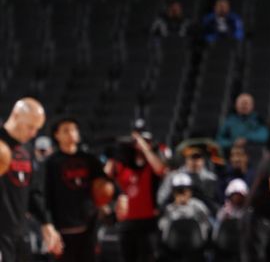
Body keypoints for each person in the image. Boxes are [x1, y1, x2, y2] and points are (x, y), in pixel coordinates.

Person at [0, 98, 63, 261]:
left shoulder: (27, 148)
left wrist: (46, 222)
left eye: (37, 128)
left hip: (20, 233)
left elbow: (33, 190)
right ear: (15, 116)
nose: (33, 133)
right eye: (30, 127)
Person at [43, 116, 113, 262]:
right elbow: (45, 196)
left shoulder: (89, 159)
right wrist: (48, 224)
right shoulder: (50, 163)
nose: (72, 133)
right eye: (66, 130)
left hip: (88, 225)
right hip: (61, 226)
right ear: (57, 135)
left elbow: (107, 184)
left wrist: (116, 197)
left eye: (74, 129)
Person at [105, 130, 167, 262]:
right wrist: (115, 154)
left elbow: (160, 169)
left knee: (149, 257)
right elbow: (104, 178)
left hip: (148, 219)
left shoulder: (150, 164)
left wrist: (145, 148)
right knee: (128, 257)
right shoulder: (121, 164)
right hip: (126, 220)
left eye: (145, 141)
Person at [157, 173, 212, 262]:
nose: (182, 194)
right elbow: (163, 233)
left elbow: (207, 227)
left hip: (196, 251)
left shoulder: (198, 206)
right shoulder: (169, 210)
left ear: (190, 191)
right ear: (173, 193)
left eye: (185, 190)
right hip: (174, 252)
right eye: (179, 191)